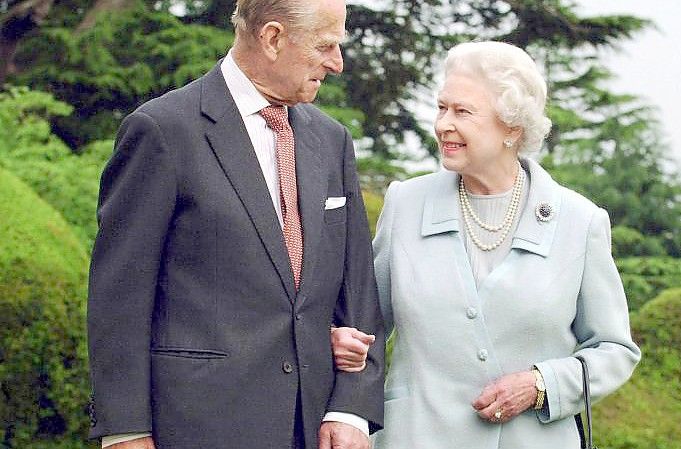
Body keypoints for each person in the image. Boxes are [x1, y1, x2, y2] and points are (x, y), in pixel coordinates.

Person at [86, 1, 384, 448]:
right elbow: (119, 298)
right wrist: (125, 432)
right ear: (272, 37)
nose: (337, 64)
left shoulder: (332, 139)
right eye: (326, 46)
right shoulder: (161, 130)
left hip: (315, 429)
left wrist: (351, 409)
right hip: (197, 427)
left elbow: (358, 291)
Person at [333, 41, 641, 449]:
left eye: (462, 112)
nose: (444, 124)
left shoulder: (579, 222)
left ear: (511, 127)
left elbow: (614, 349)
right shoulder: (406, 204)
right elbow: (364, 323)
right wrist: (339, 339)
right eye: (442, 108)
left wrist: (542, 384)